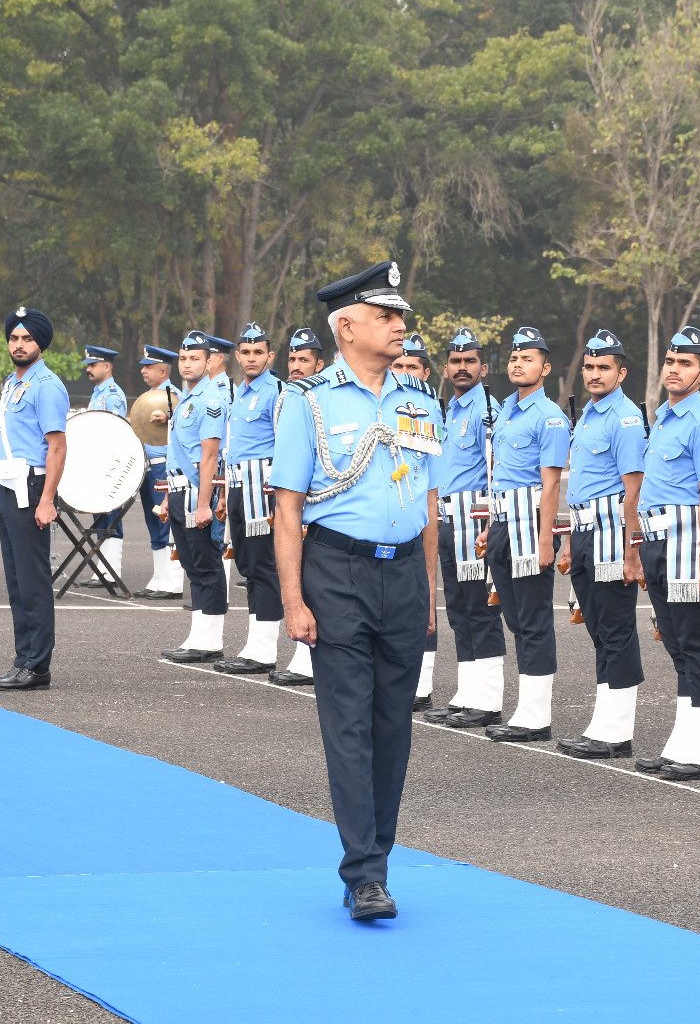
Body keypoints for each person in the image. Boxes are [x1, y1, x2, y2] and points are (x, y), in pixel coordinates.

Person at [272, 259, 440, 922]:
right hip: (338, 573)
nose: (399, 325)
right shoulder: (309, 402)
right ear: (346, 327)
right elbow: (288, 509)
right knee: (349, 726)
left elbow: (429, 503)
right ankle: (363, 873)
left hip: (404, 573)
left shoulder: (419, 400)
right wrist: (293, 601)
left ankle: (379, 862)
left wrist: (429, 591)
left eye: (400, 316)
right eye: (385, 316)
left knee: (393, 727)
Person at [628, 327, 700, 779]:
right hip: (657, 540)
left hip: (687, 543)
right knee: (676, 644)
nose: (674, 369)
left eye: (685, 363)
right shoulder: (665, 418)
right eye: (670, 361)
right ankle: (684, 742)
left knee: (696, 643)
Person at [556, 329, 649, 760]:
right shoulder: (591, 414)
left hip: (612, 534)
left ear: (621, 373)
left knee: (615, 629)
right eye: (590, 367)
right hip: (584, 531)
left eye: (603, 367)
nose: (594, 374)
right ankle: (603, 722)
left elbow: (635, 489)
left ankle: (617, 731)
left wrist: (632, 551)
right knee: (598, 629)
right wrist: (571, 543)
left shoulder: (625, 418)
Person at [479, 326, 570, 743]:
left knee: (533, 619)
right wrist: (490, 528)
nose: (518, 364)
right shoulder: (507, 411)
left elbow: (550, 485)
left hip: (530, 523)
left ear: (545, 368)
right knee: (515, 618)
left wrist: (546, 539)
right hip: (503, 522)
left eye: (527, 359)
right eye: (514, 358)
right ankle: (526, 708)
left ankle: (535, 715)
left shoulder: (549, 417)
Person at [423, 328, 507, 725]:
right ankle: (467, 693)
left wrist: (491, 522)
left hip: (474, 522)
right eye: (455, 361)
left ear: (483, 368)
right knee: (458, 609)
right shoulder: (451, 409)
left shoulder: (486, 409)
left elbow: (495, 470)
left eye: (469, 361)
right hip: (447, 520)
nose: (462, 367)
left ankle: (487, 701)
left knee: (480, 608)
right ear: (446, 368)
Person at [0, 306, 69, 690]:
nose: (19, 345)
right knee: (17, 580)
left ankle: (37, 666)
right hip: (7, 483)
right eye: (14, 338)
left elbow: (57, 446)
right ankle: (23, 659)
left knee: (32, 580)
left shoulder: (46, 385)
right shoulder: (12, 382)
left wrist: (47, 499)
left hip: (31, 486)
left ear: (40, 343)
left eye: (27, 338)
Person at [213, 322, 285, 675]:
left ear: (270, 356)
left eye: (259, 352)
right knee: (247, 565)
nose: (252, 358)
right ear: (237, 357)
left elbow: (285, 444)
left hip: (262, 487)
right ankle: (255, 643)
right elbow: (232, 446)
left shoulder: (277, 391)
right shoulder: (237, 393)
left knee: (263, 565)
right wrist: (224, 492)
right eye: (246, 352)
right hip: (239, 484)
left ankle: (264, 648)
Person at [160, 331, 232, 661]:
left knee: (206, 564)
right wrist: (166, 499)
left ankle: (211, 639)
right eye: (183, 358)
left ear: (209, 361)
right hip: (178, 490)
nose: (187, 364)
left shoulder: (210, 400)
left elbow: (209, 456)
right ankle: (198, 635)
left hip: (195, 493)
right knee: (191, 564)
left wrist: (204, 504)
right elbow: (176, 453)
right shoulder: (187, 399)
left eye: (195, 359)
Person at [271, 329, 328, 685]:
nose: (296, 366)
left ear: (319, 365)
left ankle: (310, 658)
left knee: (315, 580)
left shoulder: (322, 399)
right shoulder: (287, 397)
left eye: (304, 359)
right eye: (292, 359)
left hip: (316, 501)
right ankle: (302, 653)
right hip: (291, 497)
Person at [392, 331, 440, 706]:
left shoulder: (429, 412)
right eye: (398, 365)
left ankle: (421, 684)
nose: (404, 372)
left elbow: (429, 490)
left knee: (424, 601)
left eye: (412, 366)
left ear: (425, 373)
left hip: (425, 516)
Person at [134, 344, 185, 600]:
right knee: (154, 522)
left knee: (167, 523)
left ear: (163, 371)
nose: (143, 371)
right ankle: (158, 577)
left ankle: (173, 582)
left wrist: (168, 415)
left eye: (149, 367)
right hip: (149, 466)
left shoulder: (174, 398)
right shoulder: (150, 397)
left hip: (165, 466)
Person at [78, 345, 129, 587]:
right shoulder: (99, 393)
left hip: (110, 465)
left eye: (93, 365)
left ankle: (111, 571)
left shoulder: (112, 395)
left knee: (111, 519)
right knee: (100, 519)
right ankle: (102, 569)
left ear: (107, 367)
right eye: (88, 365)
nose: (88, 369)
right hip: (97, 464)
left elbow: (115, 430)